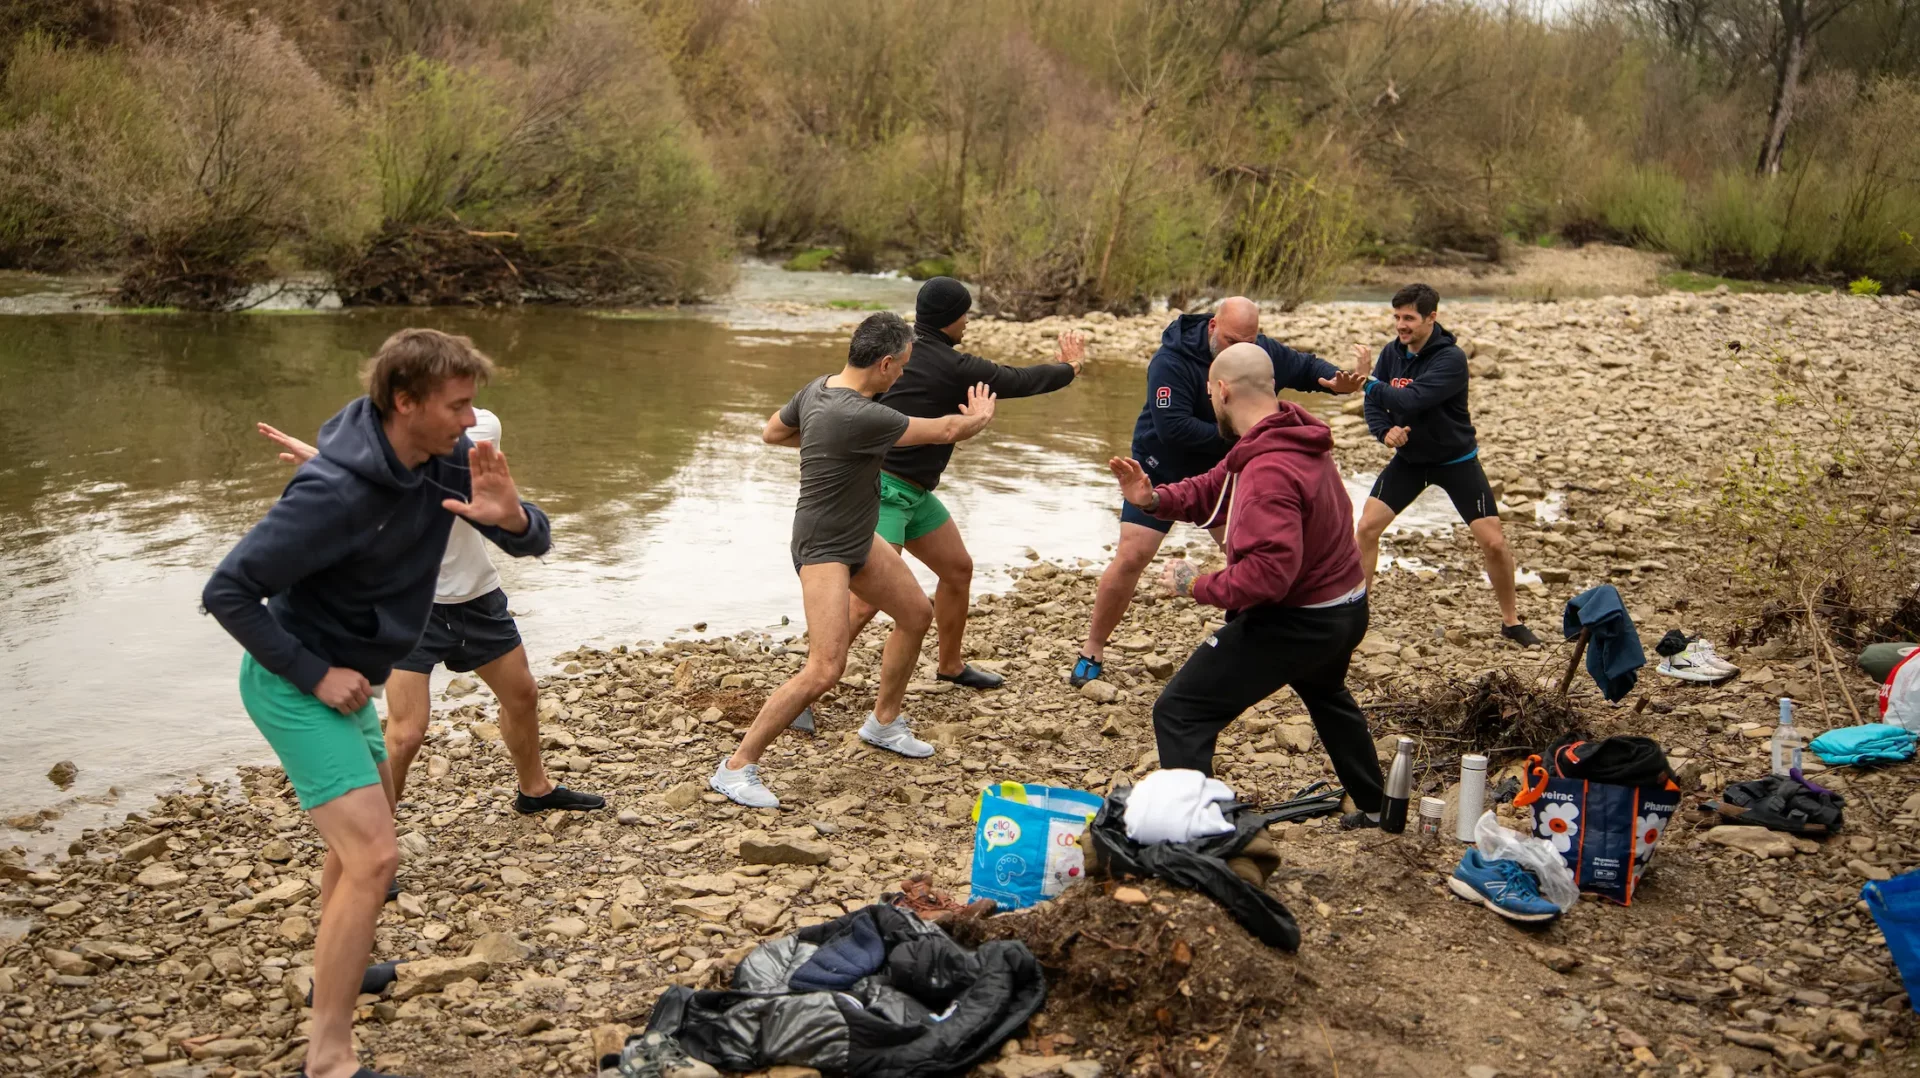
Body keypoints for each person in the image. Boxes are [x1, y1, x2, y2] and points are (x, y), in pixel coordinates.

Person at [203, 329, 551, 1078]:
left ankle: (344, 966)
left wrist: (514, 519)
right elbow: (227, 592)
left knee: (350, 854)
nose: (471, 422)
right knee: (376, 855)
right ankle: (327, 1055)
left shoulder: (440, 459)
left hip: (352, 681)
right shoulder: (331, 492)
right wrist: (314, 674)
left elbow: (534, 542)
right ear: (405, 401)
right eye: (458, 406)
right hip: (296, 686)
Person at [711, 312, 998, 808]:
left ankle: (883, 723)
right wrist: (979, 418)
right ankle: (736, 768)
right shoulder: (865, 417)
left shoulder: (818, 388)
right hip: (823, 545)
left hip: (859, 535)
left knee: (915, 614)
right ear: (884, 365)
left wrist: (830, 448)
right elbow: (946, 429)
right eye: (903, 367)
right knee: (825, 668)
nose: (905, 375)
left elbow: (771, 434)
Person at [257, 410, 604, 817]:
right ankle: (373, 839)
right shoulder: (390, 443)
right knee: (405, 735)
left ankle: (535, 789)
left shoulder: (480, 429)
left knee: (523, 696)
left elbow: (421, 481)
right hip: (407, 609)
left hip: (477, 598)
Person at [1108, 342, 1385, 830]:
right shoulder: (1284, 434)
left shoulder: (1269, 469)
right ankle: (1375, 805)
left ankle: (1193, 837)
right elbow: (1215, 486)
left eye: (1210, 393)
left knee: (1181, 711)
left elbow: (1266, 577)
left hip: (1303, 620)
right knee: (1325, 692)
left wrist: (1195, 583)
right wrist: (1154, 499)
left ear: (1221, 390)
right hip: (1345, 608)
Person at [1072, 296, 1367, 685]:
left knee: (1246, 553)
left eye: (1249, 340)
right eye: (1231, 340)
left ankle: (1268, 638)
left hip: (1226, 464)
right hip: (1166, 465)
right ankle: (1093, 646)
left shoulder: (1250, 351)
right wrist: (1247, 437)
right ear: (1213, 327)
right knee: (1131, 556)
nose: (1241, 348)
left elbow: (1305, 366)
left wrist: (1334, 381)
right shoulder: (1171, 360)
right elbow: (1172, 427)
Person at [818, 277, 1081, 713]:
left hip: (915, 494)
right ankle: (811, 682)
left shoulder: (900, 349)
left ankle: (951, 665)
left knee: (957, 569)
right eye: (966, 315)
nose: (968, 324)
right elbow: (1020, 380)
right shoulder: (954, 366)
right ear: (953, 318)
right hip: (883, 490)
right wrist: (1071, 368)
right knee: (867, 599)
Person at [1350, 283, 1542, 647]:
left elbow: (1411, 400)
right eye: (1396, 317)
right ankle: (1356, 614)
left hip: (1456, 461)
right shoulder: (1393, 353)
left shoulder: (1450, 359)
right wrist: (1384, 432)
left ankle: (1511, 621)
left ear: (1431, 318)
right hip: (1410, 462)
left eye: (1409, 318)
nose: (1400, 325)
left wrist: (1365, 381)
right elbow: (1378, 407)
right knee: (1366, 528)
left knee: (1495, 544)